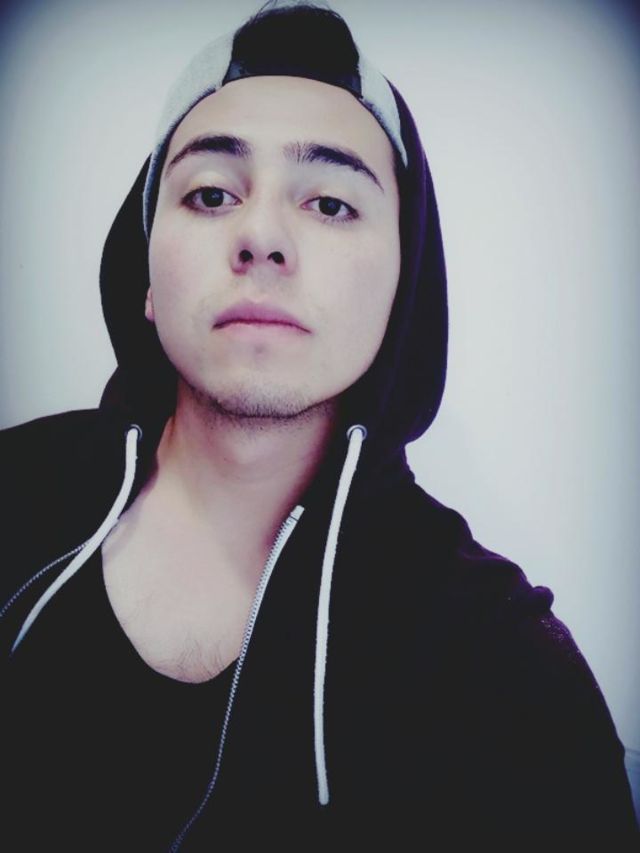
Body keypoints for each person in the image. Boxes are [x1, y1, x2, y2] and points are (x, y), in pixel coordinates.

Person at [1, 2, 638, 850]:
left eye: (331, 204)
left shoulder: (503, 671)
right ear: (146, 275)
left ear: (403, 288)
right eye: (211, 193)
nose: (262, 236)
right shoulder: (15, 490)